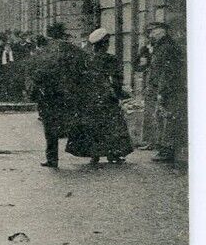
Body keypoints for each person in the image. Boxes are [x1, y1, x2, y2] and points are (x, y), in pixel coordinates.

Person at [66, 28, 133, 165]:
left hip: (88, 96)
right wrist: (117, 92)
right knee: (111, 124)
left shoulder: (85, 59)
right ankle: (113, 153)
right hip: (105, 95)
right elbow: (117, 79)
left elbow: (76, 78)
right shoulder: (110, 59)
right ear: (105, 44)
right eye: (106, 42)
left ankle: (93, 154)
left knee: (91, 125)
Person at [24, 23, 83, 168]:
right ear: (62, 34)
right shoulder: (73, 49)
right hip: (69, 93)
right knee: (73, 121)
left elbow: (36, 71)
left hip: (49, 94)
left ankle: (52, 158)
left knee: (50, 126)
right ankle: (83, 150)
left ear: (48, 35)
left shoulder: (44, 51)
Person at [137, 20, 186, 162]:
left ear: (161, 31)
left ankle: (167, 151)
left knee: (168, 119)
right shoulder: (159, 47)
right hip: (161, 87)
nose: (150, 34)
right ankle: (163, 148)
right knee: (162, 118)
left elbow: (167, 72)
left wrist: (162, 91)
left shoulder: (166, 48)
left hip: (168, 89)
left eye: (152, 31)